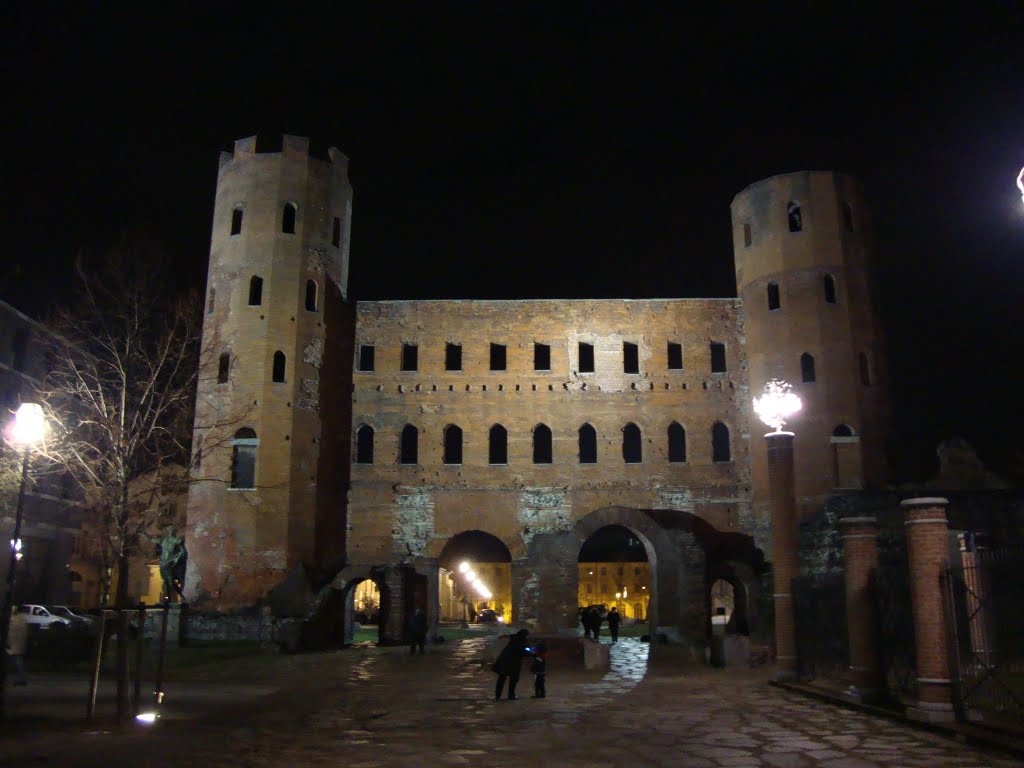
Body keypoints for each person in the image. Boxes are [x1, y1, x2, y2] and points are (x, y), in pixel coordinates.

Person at [492, 628, 530, 700]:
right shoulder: (522, 642)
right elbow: (524, 652)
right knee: (513, 679)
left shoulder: (513, 639)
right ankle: (511, 695)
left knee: (501, 679)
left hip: (503, 661)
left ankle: (497, 696)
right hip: (514, 664)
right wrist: (531, 652)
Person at [6, 608, 29, 686]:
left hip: (13, 643)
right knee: (17, 660)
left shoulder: (14, 618)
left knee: (17, 660)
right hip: (18, 643)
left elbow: (11, 630)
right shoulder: (23, 618)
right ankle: (22, 678)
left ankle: (22, 678)